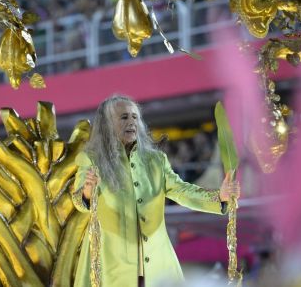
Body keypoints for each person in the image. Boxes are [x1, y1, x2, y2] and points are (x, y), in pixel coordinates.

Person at [70, 95, 240, 287]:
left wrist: (219, 196)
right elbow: (78, 201)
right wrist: (87, 192)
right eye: (124, 117)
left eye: (135, 117)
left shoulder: (156, 160)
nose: (132, 122)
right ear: (107, 125)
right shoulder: (91, 159)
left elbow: (181, 190)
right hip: (110, 267)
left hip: (158, 266)